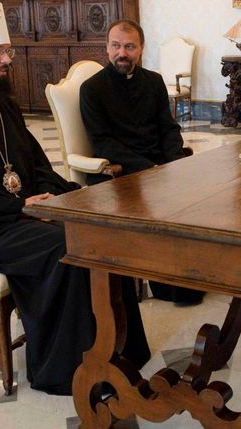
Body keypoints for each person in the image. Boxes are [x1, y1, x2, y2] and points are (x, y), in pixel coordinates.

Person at [0, 2, 151, 396]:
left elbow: (34, 165)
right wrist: (18, 206)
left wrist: (68, 196)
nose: (8, 60)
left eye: (7, 51)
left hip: (23, 210)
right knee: (68, 246)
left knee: (101, 224)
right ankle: (67, 369)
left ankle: (122, 350)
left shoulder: (2, 102)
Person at [80, 19, 203, 304]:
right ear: (107, 47)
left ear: (141, 48)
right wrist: (149, 170)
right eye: (115, 46)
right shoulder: (92, 89)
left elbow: (168, 128)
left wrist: (174, 163)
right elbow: (103, 142)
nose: (122, 53)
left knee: (197, 197)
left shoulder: (153, 81)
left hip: (160, 165)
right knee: (161, 203)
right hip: (122, 171)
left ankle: (192, 276)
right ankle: (166, 285)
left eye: (129, 46)